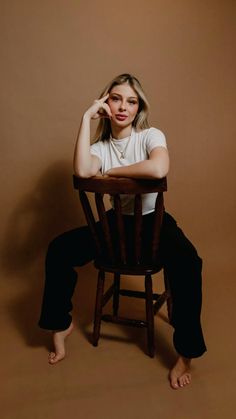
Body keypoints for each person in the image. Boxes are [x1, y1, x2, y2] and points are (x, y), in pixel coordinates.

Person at [38, 73, 206, 389]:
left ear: (138, 107)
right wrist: (86, 116)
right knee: (59, 249)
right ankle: (59, 325)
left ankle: (187, 353)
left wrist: (112, 172)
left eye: (131, 101)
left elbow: (158, 168)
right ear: (106, 103)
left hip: (153, 224)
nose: (123, 107)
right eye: (116, 98)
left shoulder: (150, 136)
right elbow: (83, 170)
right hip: (115, 230)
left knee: (189, 263)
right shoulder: (100, 147)